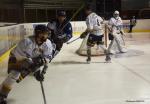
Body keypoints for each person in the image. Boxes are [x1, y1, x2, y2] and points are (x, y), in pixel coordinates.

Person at [0, 25, 53, 104]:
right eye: (44, 33)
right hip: (16, 57)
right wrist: (35, 70)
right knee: (14, 75)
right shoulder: (26, 42)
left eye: (47, 34)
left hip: (31, 59)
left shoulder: (48, 44)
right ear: (38, 33)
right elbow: (22, 58)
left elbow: (48, 57)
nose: (46, 35)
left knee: (20, 77)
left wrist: (42, 70)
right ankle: (2, 95)